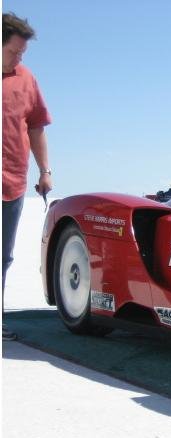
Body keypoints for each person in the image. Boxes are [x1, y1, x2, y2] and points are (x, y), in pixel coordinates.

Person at [3, 12, 52, 341]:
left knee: (3, 255)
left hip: (13, 184)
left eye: (22, 53)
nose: (19, 58)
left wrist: (44, 170)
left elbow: (36, 126)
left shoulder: (26, 78)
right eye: (14, 52)